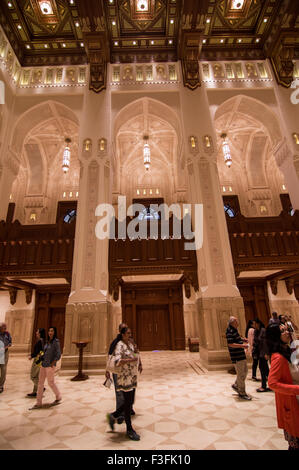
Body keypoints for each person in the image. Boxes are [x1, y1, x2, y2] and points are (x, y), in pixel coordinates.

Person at [266, 323, 299, 450]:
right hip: (292, 403)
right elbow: (272, 382)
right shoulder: (278, 357)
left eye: (286, 330)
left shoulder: (287, 350)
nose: (287, 332)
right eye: (282, 331)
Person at [106, 326, 140, 441]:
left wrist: (136, 354)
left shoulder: (130, 344)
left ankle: (113, 415)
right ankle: (129, 430)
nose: (130, 335)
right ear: (123, 334)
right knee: (127, 402)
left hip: (132, 376)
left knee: (129, 402)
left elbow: (135, 356)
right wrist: (130, 360)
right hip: (124, 377)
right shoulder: (119, 345)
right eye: (128, 333)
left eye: (130, 333)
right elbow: (117, 361)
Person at [30, 326, 62, 409]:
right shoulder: (47, 342)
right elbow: (44, 352)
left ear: (54, 332)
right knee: (40, 383)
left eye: (52, 331)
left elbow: (58, 354)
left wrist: (53, 363)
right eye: (49, 331)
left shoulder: (56, 342)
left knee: (50, 382)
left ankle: (58, 396)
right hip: (43, 365)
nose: (50, 332)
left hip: (50, 366)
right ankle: (38, 402)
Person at [226, 316, 251, 400]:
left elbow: (236, 339)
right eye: (236, 321)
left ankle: (236, 385)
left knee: (245, 371)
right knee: (241, 374)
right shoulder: (229, 331)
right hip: (236, 356)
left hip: (241, 354)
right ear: (233, 322)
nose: (238, 323)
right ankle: (242, 392)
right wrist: (242, 346)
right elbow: (230, 344)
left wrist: (244, 340)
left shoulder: (234, 330)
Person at [27, 328, 46, 398]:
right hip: (41, 360)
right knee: (37, 376)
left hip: (38, 360)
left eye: (37, 331)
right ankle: (35, 391)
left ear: (40, 333)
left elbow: (36, 352)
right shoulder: (44, 341)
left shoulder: (39, 341)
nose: (36, 333)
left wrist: (31, 356)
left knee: (33, 376)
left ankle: (41, 387)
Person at [252, 318, 270, 392]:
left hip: (263, 352)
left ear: (258, 323)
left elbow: (265, 343)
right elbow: (255, 342)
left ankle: (264, 386)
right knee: (265, 369)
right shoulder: (256, 331)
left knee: (263, 369)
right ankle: (273, 382)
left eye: (254, 323)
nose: (253, 325)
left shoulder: (263, 331)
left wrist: (266, 353)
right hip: (259, 352)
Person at [0, 322, 12, 393]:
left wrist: (5, 347)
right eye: (3, 327)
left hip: (5, 353)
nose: (5, 328)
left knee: (3, 369)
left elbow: (10, 343)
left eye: (5, 327)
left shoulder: (7, 334)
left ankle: (1, 386)